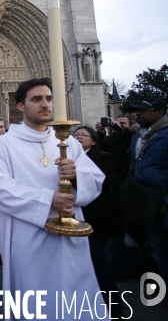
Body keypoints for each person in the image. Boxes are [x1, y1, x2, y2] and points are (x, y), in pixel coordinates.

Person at [0, 78, 105, 319]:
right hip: (28, 236)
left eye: (49, 99)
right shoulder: (4, 145)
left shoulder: (68, 141)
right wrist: (48, 199)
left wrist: (77, 177)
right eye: (36, 99)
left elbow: (96, 179)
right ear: (20, 106)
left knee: (75, 295)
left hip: (69, 237)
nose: (45, 104)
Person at [74, 126, 123, 318]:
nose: (78, 137)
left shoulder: (102, 157)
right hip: (81, 218)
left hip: (97, 219)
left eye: (83, 135)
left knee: (100, 263)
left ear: (93, 140)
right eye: (76, 134)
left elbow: (104, 183)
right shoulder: (70, 156)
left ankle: (114, 307)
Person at [128, 98, 168, 281]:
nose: (137, 114)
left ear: (159, 112)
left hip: (163, 200)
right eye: (136, 111)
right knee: (159, 246)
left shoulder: (165, 134)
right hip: (147, 200)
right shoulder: (138, 136)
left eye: (143, 110)